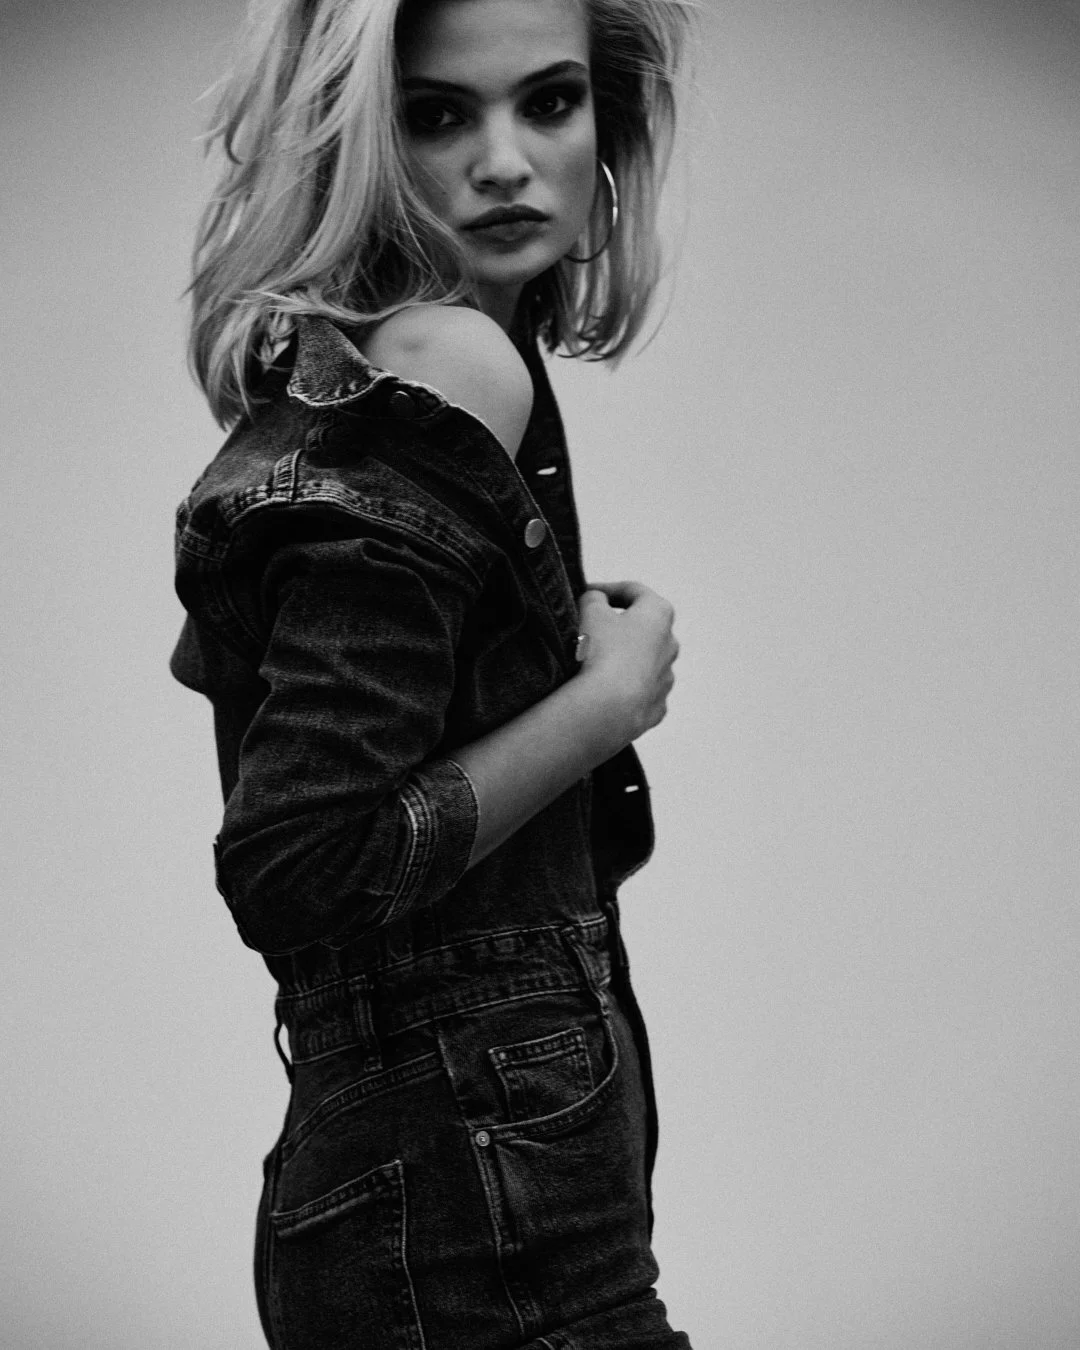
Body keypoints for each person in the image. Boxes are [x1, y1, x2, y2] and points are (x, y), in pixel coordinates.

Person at [171, 0, 692, 1345]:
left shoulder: (361, 368)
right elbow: (302, 860)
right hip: (478, 1187)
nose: (508, 161)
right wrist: (610, 701)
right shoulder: (448, 362)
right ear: (360, 140)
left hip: (435, 1174)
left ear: (609, 125)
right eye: (439, 113)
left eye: (551, 102)